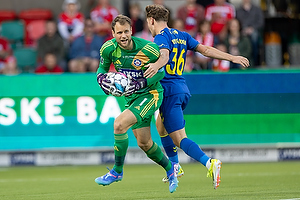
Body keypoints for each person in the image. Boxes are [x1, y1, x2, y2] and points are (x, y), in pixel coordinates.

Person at [144, 4, 249, 189]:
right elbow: (206, 50)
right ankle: (175, 166)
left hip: (169, 92)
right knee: (160, 126)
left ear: (151, 20)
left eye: (148, 22)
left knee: (179, 139)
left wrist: (155, 66)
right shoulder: (182, 35)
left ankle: (209, 163)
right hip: (182, 88)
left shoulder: (161, 37)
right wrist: (232, 57)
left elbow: (164, 56)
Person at [94, 15, 179, 193]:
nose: (123, 36)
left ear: (131, 31)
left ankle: (117, 171)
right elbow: (102, 68)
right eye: (119, 32)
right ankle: (171, 170)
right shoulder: (108, 49)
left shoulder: (148, 49)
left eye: (126, 31)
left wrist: (141, 83)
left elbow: (161, 71)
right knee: (145, 144)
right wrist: (101, 78)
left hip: (151, 94)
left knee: (119, 124)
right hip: (132, 98)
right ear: (112, 33)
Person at [236, 0, 264, 66]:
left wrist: (252, 28)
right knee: (237, 37)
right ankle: (241, 61)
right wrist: (243, 29)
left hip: (254, 30)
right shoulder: (238, 10)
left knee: (254, 36)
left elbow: (261, 22)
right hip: (242, 30)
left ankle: (254, 60)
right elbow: (237, 22)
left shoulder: (257, 9)